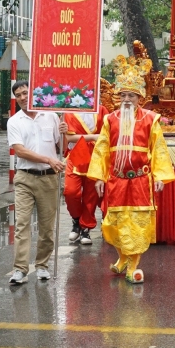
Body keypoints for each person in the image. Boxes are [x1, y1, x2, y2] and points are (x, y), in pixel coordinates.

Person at [87, 55, 175, 284]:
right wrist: (98, 176)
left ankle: (133, 265)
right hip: (116, 179)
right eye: (123, 95)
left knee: (136, 223)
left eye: (131, 96)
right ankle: (122, 258)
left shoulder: (151, 120)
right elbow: (101, 149)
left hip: (139, 181)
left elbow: (159, 149)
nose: (127, 99)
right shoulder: (110, 120)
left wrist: (160, 175)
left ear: (140, 98)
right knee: (114, 222)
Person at [7, 80, 67, 285]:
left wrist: (64, 132)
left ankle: (42, 265)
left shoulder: (51, 116)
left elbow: (62, 147)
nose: (23, 98)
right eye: (19, 95)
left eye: (25, 93)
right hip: (24, 177)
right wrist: (48, 159)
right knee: (22, 223)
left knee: (47, 226)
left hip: (49, 178)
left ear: (34, 94)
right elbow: (20, 150)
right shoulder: (14, 121)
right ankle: (20, 269)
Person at [63, 103, 111, 245]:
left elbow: (108, 132)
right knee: (70, 192)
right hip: (77, 156)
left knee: (91, 195)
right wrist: (93, 137)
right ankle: (76, 219)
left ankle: (86, 228)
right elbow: (69, 138)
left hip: (96, 157)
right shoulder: (69, 110)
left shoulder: (101, 109)